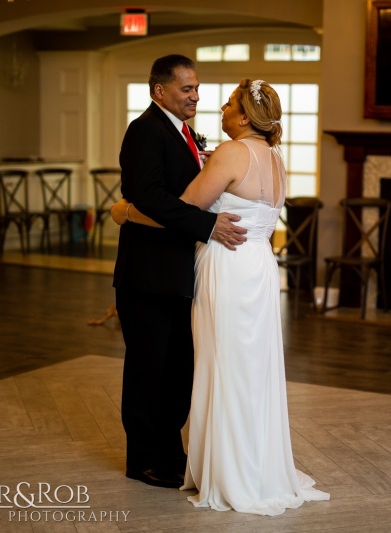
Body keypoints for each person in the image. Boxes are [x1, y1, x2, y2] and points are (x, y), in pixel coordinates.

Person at [112, 79, 330, 515]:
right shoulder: (275, 157)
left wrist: (126, 211)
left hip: (227, 267)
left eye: (230, 104)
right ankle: (257, 466)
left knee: (221, 365)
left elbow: (183, 210)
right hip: (260, 269)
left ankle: (229, 471)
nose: (221, 109)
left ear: (245, 117)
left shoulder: (232, 152)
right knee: (252, 369)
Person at [113, 54, 248, 490]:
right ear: (160, 91)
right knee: (148, 370)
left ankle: (170, 451)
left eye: (196, 87)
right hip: (148, 274)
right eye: (186, 89)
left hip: (180, 273)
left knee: (178, 370)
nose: (196, 96)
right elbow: (150, 196)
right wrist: (208, 226)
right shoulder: (144, 131)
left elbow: (183, 189)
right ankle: (143, 459)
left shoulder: (185, 132)